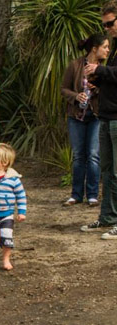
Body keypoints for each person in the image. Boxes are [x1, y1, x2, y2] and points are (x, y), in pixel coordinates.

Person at [61, 34, 109, 208]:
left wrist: (97, 88)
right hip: (76, 116)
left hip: (95, 116)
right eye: (105, 47)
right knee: (79, 155)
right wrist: (76, 96)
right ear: (94, 48)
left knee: (93, 155)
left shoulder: (105, 68)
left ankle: (93, 195)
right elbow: (64, 89)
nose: (108, 50)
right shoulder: (75, 65)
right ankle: (76, 194)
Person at [82, 1, 117, 239]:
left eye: (111, 23)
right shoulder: (114, 48)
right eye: (105, 25)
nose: (107, 29)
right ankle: (108, 218)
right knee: (108, 171)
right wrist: (98, 81)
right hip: (106, 115)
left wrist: (100, 70)